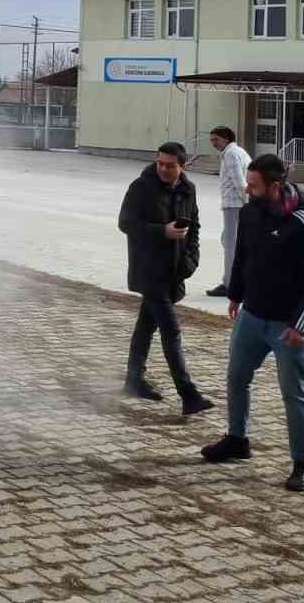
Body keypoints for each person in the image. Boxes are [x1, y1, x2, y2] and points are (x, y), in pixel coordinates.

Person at [201, 153, 304, 492]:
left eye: (253, 185)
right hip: (251, 317)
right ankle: (236, 440)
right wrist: (236, 295)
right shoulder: (250, 212)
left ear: (274, 187)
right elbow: (243, 254)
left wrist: (301, 326)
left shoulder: (303, 223)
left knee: (293, 394)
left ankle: (302, 464)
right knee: (236, 378)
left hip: (288, 327)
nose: (247, 188)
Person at [118, 141, 214, 416]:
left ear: (182, 167)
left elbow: (193, 226)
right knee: (171, 330)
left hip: (174, 270)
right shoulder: (141, 187)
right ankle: (188, 394)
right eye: (160, 163)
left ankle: (133, 380)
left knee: (146, 325)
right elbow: (126, 223)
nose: (163, 168)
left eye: (170, 165)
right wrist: (163, 231)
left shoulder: (188, 189)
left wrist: (191, 260)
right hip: (149, 270)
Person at [205, 126, 251, 297]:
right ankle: (237, 280)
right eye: (211, 140)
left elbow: (240, 182)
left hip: (234, 204)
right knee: (228, 240)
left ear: (226, 138)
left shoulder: (231, 155)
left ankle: (230, 283)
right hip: (237, 204)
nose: (213, 143)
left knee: (231, 245)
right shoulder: (238, 151)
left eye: (216, 139)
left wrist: (247, 205)